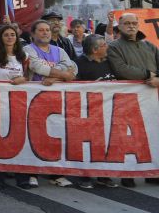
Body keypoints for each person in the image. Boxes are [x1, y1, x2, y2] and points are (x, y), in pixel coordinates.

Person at [106, 12, 159, 187]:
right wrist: (148, 74)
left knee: (151, 135)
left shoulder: (149, 46)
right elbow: (121, 69)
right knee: (128, 137)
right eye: (127, 23)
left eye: (134, 23)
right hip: (127, 98)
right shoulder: (114, 47)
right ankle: (127, 173)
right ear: (120, 26)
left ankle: (151, 172)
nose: (131, 26)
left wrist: (157, 80)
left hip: (151, 98)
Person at [24, 19, 78, 188]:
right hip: (33, 100)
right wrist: (63, 74)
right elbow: (37, 67)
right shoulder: (28, 49)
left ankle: (56, 174)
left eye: (47, 30)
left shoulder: (60, 50)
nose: (46, 33)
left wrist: (55, 78)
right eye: (41, 30)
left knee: (55, 136)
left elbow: (72, 68)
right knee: (32, 137)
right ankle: (31, 173)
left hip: (56, 100)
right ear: (33, 34)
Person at [0, 24, 33, 189]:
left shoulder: (23, 56)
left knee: (20, 138)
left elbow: (28, 76)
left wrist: (23, 79)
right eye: (6, 35)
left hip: (18, 102)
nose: (10, 37)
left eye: (12, 34)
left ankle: (22, 176)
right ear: (0, 38)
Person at [72, 34, 120, 189]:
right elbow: (72, 87)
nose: (107, 47)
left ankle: (103, 176)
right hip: (88, 112)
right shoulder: (79, 64)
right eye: (104, 45)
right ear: (95, 49)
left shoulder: (110, 61)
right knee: (87, 145)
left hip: (110, 111)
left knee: (106, 144)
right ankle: (85, 176)